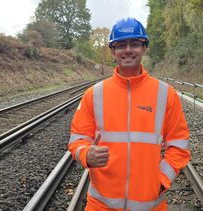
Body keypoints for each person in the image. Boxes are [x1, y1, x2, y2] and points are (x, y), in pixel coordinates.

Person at [68, 17, 191, 211]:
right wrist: (85, 153)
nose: (127, 50)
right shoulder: (94, 94)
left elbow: (179, 144)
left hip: (150, 206)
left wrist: (161, 180)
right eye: (121, 45)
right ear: (112, 51)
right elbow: (78, 139)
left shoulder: (165, 94)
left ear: (144, 48)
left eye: (134, 44)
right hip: (101, 206)